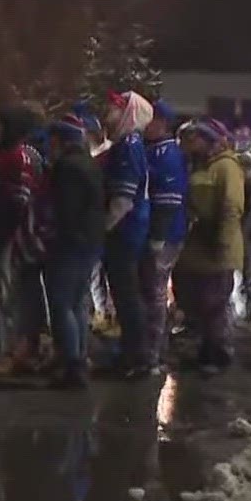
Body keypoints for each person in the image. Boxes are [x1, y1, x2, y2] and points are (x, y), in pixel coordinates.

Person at [177, 118, 245, 375]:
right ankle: (207, 348)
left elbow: (231, 208)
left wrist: (223, 244)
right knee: (200, 303)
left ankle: (217, 353)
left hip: (214, 247)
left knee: (214, 303)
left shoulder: (226, 167)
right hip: (198, 248)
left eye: (197, 139)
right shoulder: (198, 166)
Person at [42, 115, 105, 389]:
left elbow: (64, 209)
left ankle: (70, 363)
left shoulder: (66, 168)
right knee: (78, 302)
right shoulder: (89, 163)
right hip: (90, 241)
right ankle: (78, 357)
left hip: (70, 243)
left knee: (61, 303)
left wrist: (54, 235)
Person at [0, 105, 48, 370]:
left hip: (7, 236)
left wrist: (2, 232)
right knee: (5, 294)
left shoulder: (13, 158)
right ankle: (8, 345)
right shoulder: (17, 155)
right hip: (15, 235)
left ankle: (7, 348)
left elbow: (17, 200)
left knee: (3, 295)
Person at [100, 93, 153, 375]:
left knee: (127, 294)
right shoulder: (126, 144)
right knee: (124, 293)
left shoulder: (129, 146)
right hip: (127, 229)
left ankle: (136, 355)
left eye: (115, 107)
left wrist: (104, 227)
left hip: (126, 230)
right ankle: (133, 351)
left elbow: (124, 198)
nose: (108, 112)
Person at [139, 103, 189, 377]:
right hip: (160, 232)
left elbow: (169, 199)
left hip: (165, 235)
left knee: (155, 295)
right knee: (151, 293)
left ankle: (153, 352)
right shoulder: (155, 151)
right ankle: (151, 349)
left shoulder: (167, 154)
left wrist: (158, 235)